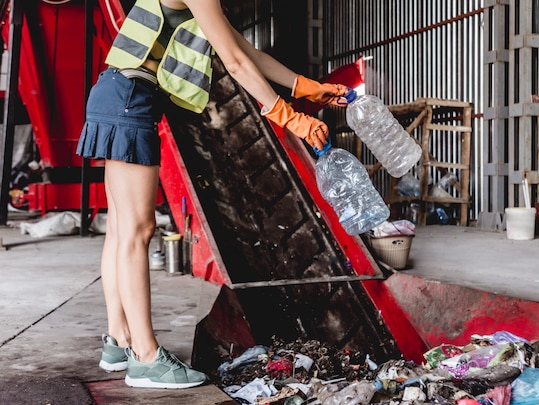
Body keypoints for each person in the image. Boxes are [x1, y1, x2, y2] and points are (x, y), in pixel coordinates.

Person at [76, 0, 349, 390]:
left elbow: (245, 50)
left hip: (116, 94)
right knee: (138, 231)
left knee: (122, 229)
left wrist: (306, 87)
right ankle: (147, 358)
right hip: (130, 100)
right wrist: (288, 115)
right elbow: (235, 62)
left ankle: (119, 341)